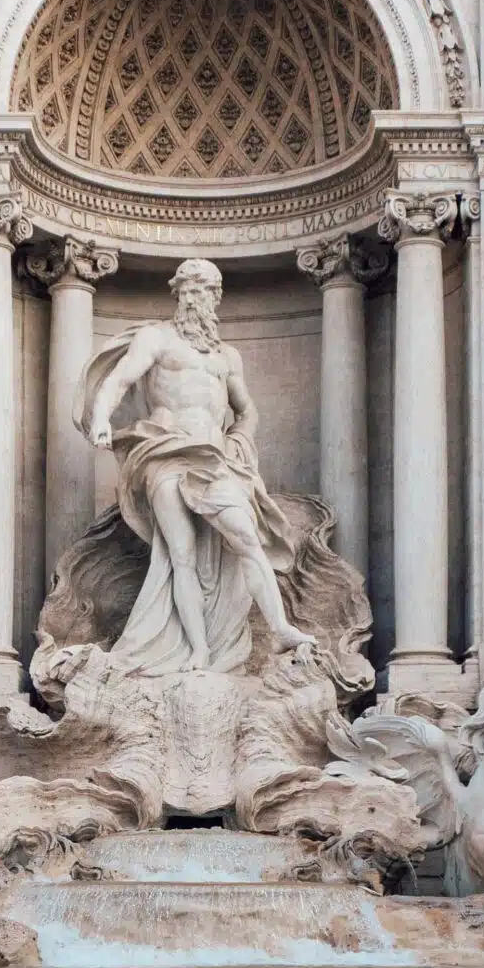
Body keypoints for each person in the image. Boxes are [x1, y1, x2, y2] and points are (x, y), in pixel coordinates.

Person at [81, 259, 318, 678]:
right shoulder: (157, 339)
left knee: (246, 537)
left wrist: (240, 439)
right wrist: (101, 417)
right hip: (165, 453)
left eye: (206, 290)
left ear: (217, 298)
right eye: (190, 290)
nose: (197, 298)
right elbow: (118, 382)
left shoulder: (227, 357)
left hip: (214, 459)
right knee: (181, 556)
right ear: (178, 294)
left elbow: (247, 410)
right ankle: (199, 651)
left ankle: (280, 627)